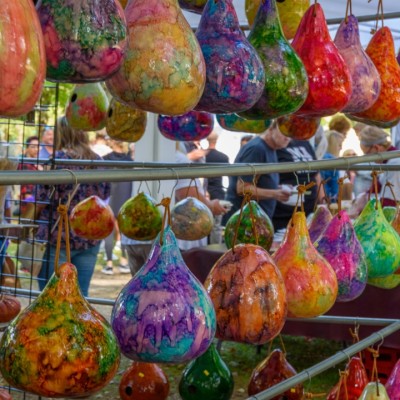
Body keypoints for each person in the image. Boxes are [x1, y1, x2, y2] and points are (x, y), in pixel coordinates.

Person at [36, 116, 111, 296]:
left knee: (51, 297)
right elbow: (105, 194)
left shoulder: (57, 160)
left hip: (58, 237)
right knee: (80, 296)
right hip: (89, 237)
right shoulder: (99, 161)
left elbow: (42, 198)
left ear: (61, 133)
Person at [224, 121, 291, 223]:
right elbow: (243, 188)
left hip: (257, 220)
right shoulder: (257, 148)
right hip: (244, 222)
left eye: (290, 134)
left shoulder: (271, 148)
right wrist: (275, 194)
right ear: (270, 129)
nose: (287, 138)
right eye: (283, 132)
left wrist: (278, 188)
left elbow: (260, 181)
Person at [176, 143, 227, 251]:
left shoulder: (177, 156)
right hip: (182, 240)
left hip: (181, 236)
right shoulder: (180, 159)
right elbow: (189, 197)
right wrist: (210, 205)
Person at [272, 139, 322, 232]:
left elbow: (316, 174)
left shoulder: (305, 143)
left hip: (309, 212)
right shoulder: (277, 143)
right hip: (283, 216)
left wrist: (322, 201)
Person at [101, 140, 132, 275]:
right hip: (126, 198)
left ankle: (109, 264)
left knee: (108, 230)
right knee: (124, 229)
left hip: (109, 197)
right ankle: (124, 261)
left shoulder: (105, 160)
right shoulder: (130, 161)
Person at [359, 125, 399, 207]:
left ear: (376, 148)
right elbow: (379, 184)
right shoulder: (389, 162)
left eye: (367, 153)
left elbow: (389, 202)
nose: (369, 159)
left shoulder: (394, 164)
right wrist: (364, 196)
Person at [204, 132, 229, 244]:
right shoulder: (223, 157)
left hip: (204, 193)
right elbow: (229, 175)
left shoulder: (203, 155)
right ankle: (215, 248)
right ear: (217, 140)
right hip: (218, 193)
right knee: (216, 226)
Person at [17, 136, 42, 216]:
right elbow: (26, 187)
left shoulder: (38, 163)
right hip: (30, 203)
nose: (36, 149)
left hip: (38, 202)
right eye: (33, 147)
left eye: (38, 146)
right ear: (27, 148)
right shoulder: (24, 163)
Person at [320, 130, 345, 203]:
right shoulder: (332, 160)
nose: (341, 148)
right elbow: (335, 188)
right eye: (339, 145)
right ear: (333, 145)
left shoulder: (318, 158)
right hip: (328, 200)